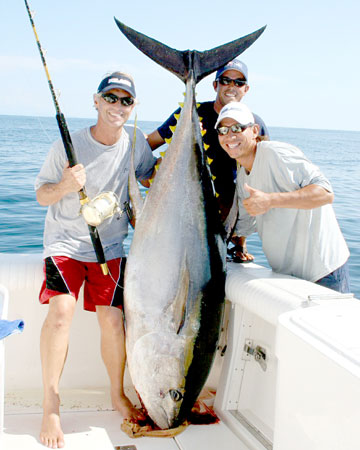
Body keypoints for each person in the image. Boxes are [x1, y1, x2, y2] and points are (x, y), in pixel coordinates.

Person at [35, 71, 157, 448]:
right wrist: (66, 186)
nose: (117, 106)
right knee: (61, 314)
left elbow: (150, 175)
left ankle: (117, 394)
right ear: (96, 100)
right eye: (110, 98)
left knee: (113, 319)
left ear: (132, 107)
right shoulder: (68, 144)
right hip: (66, 245)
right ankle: (51, 403)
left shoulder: (135, 142)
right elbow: (42, 195)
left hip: (111, 247)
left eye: (125, 101)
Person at [215, 101, 350, 293]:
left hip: (323, 273)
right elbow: (242, 225)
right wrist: (237, 246)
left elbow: (325, 193)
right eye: (223, 130)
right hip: (288, 277)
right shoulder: (244, 176)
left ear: (254, 131)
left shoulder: (276, 153)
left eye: (237, 128)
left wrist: (270, 200)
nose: (230, 135)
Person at [147, 59, 268, 262]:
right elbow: (151, 142)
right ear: (215, 85)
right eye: (226, 80)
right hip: (191, 201)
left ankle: (239, 244)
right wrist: (149, 173)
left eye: (238, 83)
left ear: (246, 89)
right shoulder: (195, 113)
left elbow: (262, 169)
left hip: (230, 208)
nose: (232, 86)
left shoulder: (254, 123)